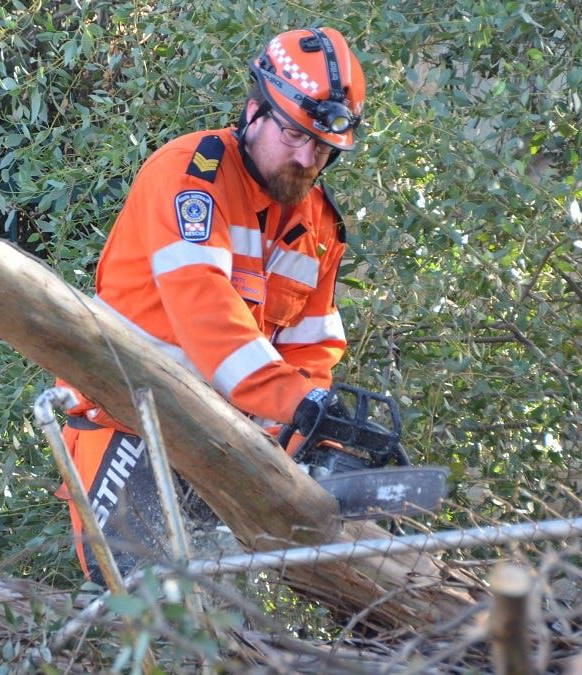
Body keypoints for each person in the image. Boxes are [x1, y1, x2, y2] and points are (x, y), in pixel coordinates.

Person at [55, 27, 366, 581]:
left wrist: (316, 428)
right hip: (129, 419)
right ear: (255, 112)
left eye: (321, 147)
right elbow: (207, 316)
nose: (305, 157)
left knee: (232, 630)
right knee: (144, 613)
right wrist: (294, 400)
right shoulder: (191, 178)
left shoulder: (320, 226)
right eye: (294, 135)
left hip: (224, 443)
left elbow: (311, 347)